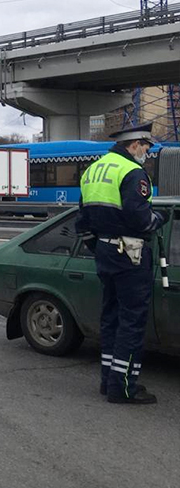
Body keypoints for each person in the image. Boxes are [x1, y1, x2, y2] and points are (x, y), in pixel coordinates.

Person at [76, 123, 164, 404]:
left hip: (105, 253)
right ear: (135, 144)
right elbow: (142, 220)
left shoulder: (93, 170)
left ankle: (108, 380)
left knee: (111, 318)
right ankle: (123, 387)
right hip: (131, 255)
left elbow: (83, 223)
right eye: (146, 147)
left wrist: (102, 247)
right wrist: (159, 219)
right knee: (132, 322)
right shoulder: (133, 172)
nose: (148, 153)